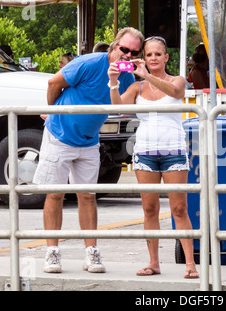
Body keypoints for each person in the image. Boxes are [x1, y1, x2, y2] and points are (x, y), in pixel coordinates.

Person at [33, 27, 144, 274]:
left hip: (89, 140)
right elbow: (54, 82)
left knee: (88, 196)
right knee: (55, 195)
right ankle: (52, 252)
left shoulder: (127, 77)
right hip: (59, 135)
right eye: (124, 49)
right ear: (114, 46)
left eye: (134, 52)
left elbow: (120, 107)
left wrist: (119, 78)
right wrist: (54, 110)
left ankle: (91, 252)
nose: (127, 55)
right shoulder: (88, 62)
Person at [107, 36, 199, 279]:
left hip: (173, 151)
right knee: (149, 209)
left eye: (158, 54)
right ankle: (154, 262)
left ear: (166, 57)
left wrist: (146, 75)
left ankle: (190, 264)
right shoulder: (136, 87)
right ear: (143, 58)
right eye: (149, 55)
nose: (153, 58)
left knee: (179, 208)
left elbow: (176, 91)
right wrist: (113, 82)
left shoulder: (176, 80)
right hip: (145, 151)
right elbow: (117, 108)